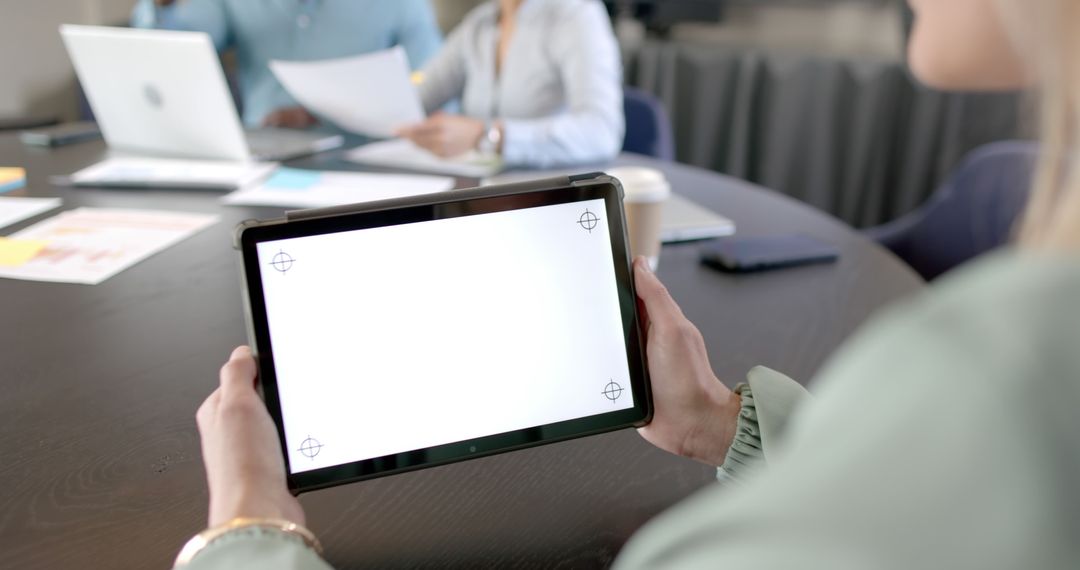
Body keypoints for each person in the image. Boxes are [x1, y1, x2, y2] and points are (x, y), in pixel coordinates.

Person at [177, 0, 1080, 567]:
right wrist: (732, 425)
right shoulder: (483, 21)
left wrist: (252, 528)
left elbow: (596, 125)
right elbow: (420, 93)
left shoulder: (994, 387)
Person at [130, 0, 442, 130]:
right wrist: (163, 5)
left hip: (365, 159)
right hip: (261, 160)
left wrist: (332, 113)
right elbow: (168, 51)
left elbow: (433, 92)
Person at [395, 0, 624, 169]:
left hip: (550, 197)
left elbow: (601, 131)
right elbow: (416, 95)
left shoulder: (576, 16)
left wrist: (489, 136)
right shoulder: (480, 24)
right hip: (483, 192)